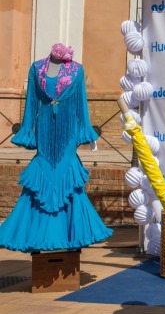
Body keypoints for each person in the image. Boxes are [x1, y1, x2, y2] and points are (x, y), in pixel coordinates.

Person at [0, 43, 112, 252]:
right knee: (42, 173)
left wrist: (85, 131)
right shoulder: (36, 68)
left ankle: (71, 235)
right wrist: (27, 130)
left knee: (67, 174)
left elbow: (81, 103)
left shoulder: (77, 70)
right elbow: (31, 101)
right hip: (43, 130)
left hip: (67, 131)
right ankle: (38, 236)